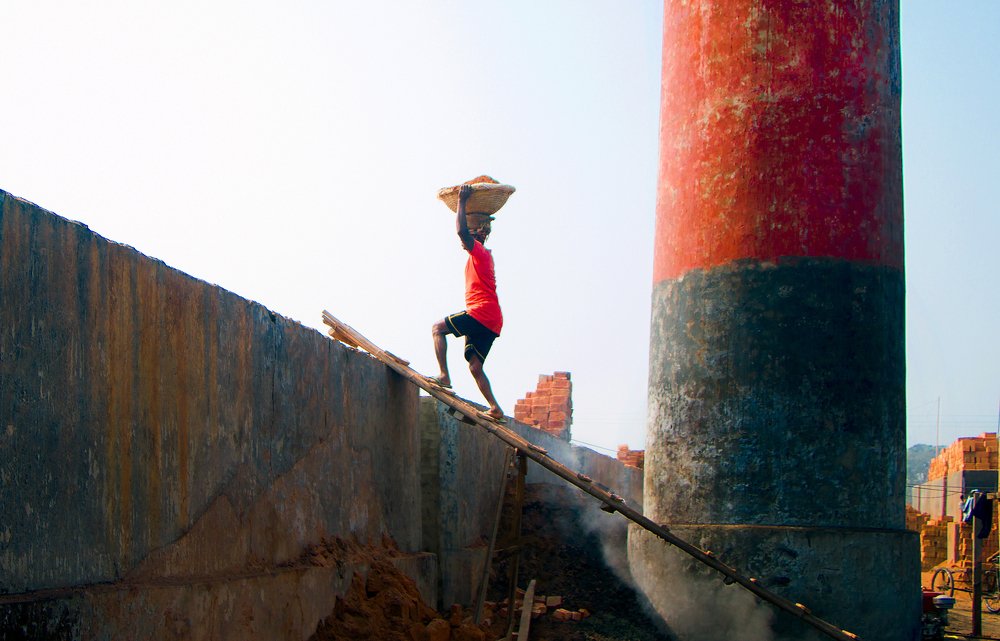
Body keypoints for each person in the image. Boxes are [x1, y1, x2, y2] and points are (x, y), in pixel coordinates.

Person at [431, 184, 505, 421]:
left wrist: (461, 202)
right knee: (475, 366)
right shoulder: (482, 256)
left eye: (469, 237)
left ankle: (444, 376)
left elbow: (461, 232)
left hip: (481, 313)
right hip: (492, 320)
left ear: (477, 236)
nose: (463, 242)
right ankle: (495, 407)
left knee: (437, 328)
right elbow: (464, 235)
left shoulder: (480, 254)